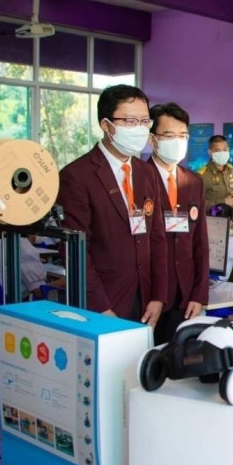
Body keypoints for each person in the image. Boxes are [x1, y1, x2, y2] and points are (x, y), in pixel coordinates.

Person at [56, 85, 167, 326]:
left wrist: (158, 296)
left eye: (144, 121)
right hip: (102, 302)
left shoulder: (147, 172)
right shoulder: (77, 176)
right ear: (106, 125)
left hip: (145, 300)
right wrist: (101, 307)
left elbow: (157, 237)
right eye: (130, 121)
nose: (139, 129)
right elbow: (75, 251)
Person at [147, 103, 210, 344]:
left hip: (185, 295)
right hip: (150, 294)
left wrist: (199, 293)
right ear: (152, 139)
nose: (177, 142)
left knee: (180, 359)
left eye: (183, 136)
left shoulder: (193, 181)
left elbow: (200, 242)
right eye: (169, 135)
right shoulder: (139, 178)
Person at [198, 135, 233, 211]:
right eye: (217, 151)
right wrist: (224, 201)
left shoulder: (231, 169)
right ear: (210, 152)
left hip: (230, 215)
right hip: (213, 217)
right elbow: (198, 204)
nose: (222, 153)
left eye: (225, 150)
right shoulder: (203, 175)